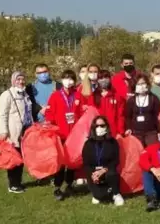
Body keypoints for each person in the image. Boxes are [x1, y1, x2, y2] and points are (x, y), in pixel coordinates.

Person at [45, 70, 85, 201]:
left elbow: (82, 114)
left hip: (74, 136)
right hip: (60, 135)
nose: (69, 81)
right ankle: (57, 187)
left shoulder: (78, 95)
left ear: (74, 80)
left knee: (72, 162)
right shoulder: (55, 96)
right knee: (61, 163)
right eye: (66, 78)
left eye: (71, 78)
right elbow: (49, 115)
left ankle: (69, 184)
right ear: (62, 80)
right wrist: (52, 128)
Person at [0, 71, 33, 193]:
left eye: (23, 79)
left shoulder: (25, 94)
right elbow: (2, 115)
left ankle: (18, 182)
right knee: (13, 159)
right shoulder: (7, 95)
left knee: (21, 159)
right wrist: (3, 131)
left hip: (25, 131)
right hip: (13, 132)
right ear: (13, 81)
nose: (21, 82)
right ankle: (13, 184)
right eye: (18, 79)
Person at [81, 116, 124, 206]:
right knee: (98, 197)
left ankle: (116, 194)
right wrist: (93, 174)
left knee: (112, 173)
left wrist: (103, 170)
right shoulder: (88, 143)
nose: (99, 128)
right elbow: (86, 163)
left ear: (106, 127)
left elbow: (115, 161)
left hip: (108, 171)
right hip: (93, 174)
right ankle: (103, 192)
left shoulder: (113, 142)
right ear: (93, 127)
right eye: (97, 126)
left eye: (102, 125)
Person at [125, 74, 160, 147]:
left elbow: (158, 116)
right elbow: (128, 116)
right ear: (135, 85)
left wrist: (159, 130)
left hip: (151, 132)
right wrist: (128, 128)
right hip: (136, 133)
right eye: (138, 84)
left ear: (147, 84)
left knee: (152, 152)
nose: (141, 86)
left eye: (143, 83)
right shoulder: (131, 100)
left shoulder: (153, 98)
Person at [90, 70, 125, 138]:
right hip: (98, 131)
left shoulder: (117, 96)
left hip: (113, 132)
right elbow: (91, 116)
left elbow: (120, 116)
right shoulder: (93, 96)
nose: (103, 80)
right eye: (101, 78)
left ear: (110, 78)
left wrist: (120, 132)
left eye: (106, 77)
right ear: (97, 80)